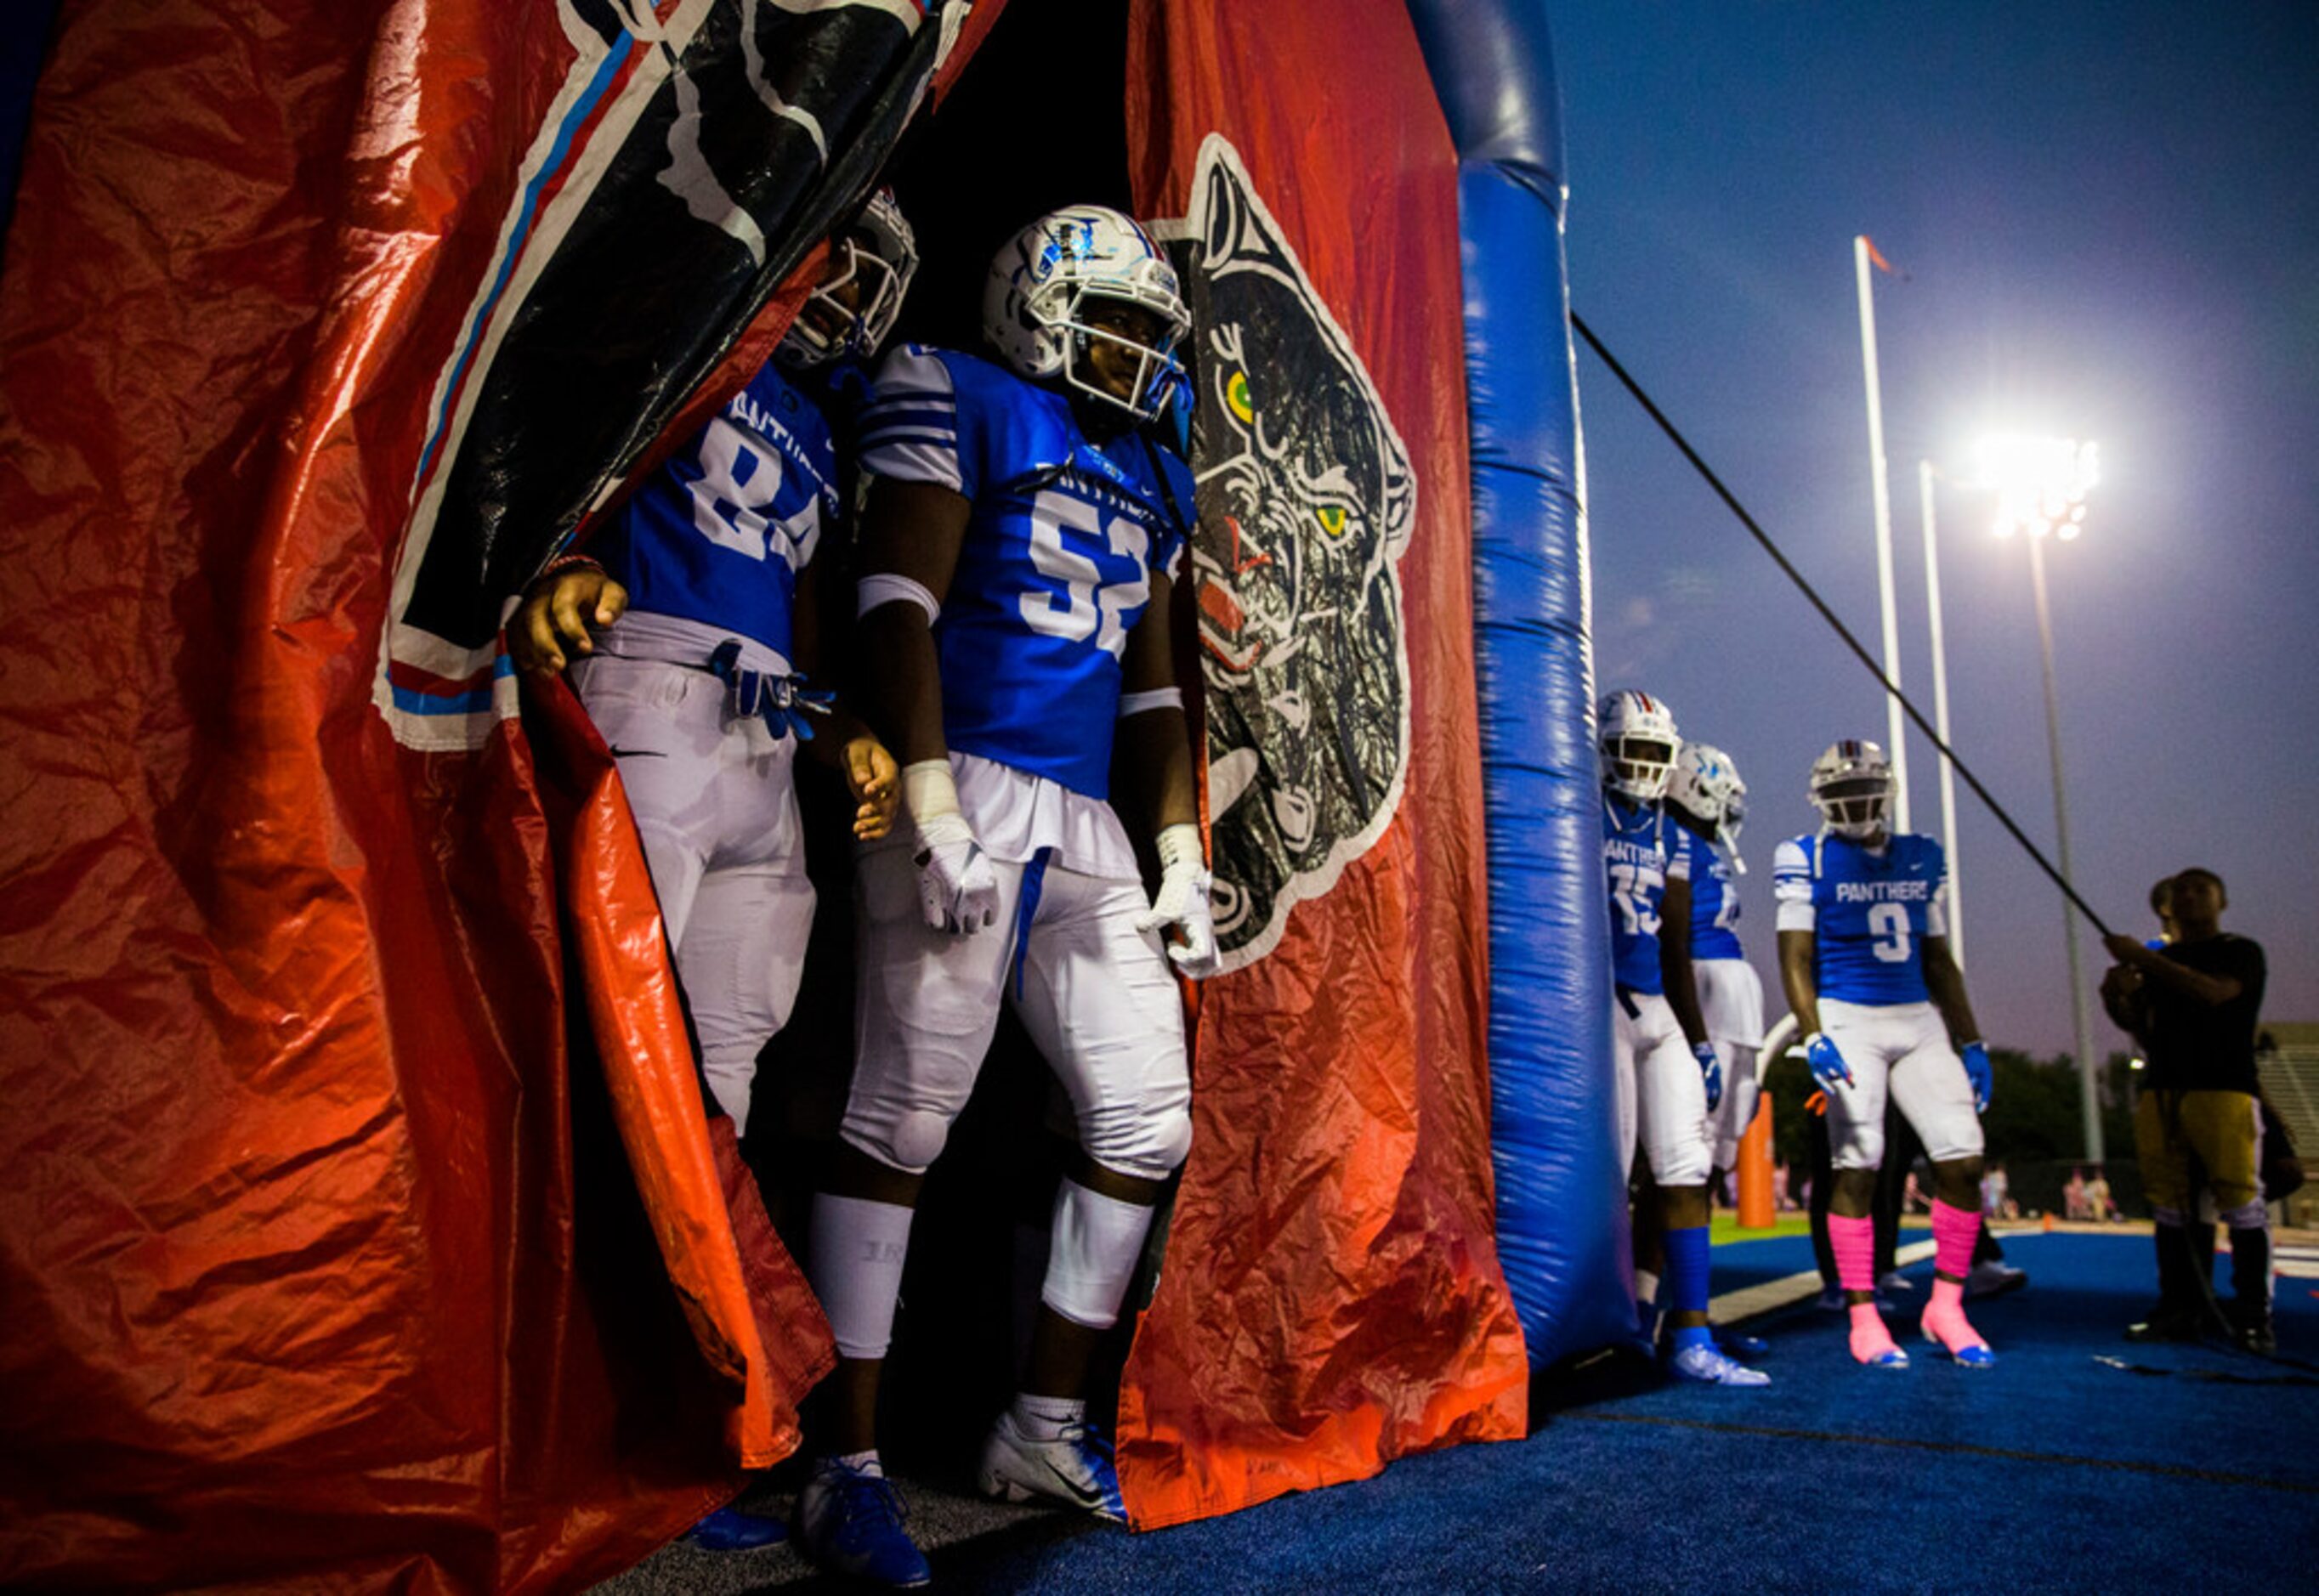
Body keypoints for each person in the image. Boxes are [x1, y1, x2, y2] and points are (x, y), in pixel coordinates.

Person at [793, 204, 1214, 1586]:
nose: (1136, 354)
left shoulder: (1150, 465)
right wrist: (923, 792)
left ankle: (1037, 1421)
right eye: (1113, 321)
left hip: (1086, 811)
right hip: (963, 768)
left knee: (1144, 1114)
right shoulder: (956, 392)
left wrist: (1177, 853)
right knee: (902, 1106)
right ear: (1037, 307)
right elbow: (896, 599)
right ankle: (841, 1459)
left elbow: (1153, 690)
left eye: (1151, 332)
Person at [506, 192, 916, 1552]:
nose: (853, 282)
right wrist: (551, 553)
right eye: (839, 244)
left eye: (873, 263)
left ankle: (677, 1420)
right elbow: (545, 433)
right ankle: (565, 1419)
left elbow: (785, 599)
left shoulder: (816, 416)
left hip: (763, 743)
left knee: (717, 1093)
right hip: (651, 698)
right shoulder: (690, 329)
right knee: (611, 1078)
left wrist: (843, 723)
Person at [1775, 739, 1996, 1369]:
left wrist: (1971, 1038)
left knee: (1963, 1160)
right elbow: (1794, 955)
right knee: (1859, 1164)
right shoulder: (1805, 855)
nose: (1855, 804)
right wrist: (1813, 1031)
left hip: (1917, 1016)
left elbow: (1937, 959)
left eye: (1862, 791)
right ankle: (1863, 1315)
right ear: (1822, 800)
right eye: (1841, 794)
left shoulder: (1923, 854)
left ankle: (1947, 1305)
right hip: (1848, 1013)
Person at [1600, 693, 1766, 1388]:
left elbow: (1672, 941)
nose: (1640, 766)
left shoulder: (1669, 833)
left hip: (1655, 1004)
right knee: (1611, 1171)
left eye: (1651, 754)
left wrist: (1697, 1041)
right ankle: (1615, 1321)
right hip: (1598, 1003)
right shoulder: (1580, 812)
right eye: (1630, 750)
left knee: (1686, 1165)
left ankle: (1688, 1333)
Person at [2102, 868, 2272, 1350]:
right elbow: (2142, 1028)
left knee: (2240, 1200)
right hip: (2164, 1089)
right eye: (2182, 891)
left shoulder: (2240, 951)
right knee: (2171, 1205)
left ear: (2222, 899)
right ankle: (2179, 1307)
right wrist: (2117, 996)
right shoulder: (2163, 960)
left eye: (2202, 888)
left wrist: (2144, 960)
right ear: (2168, 906)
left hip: (2223, 1088)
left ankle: (2252, 1315)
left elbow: (2214, 993)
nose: (2191, 896)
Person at [1663, 739, 1770, 1361]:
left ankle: (1689, 1311)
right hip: (1705, 997)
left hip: (1732, 1004)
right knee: (1684, 1165)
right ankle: (1673, 1319)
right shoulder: (1674, 842)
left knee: (1710, 1167)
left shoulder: (1701, 848)